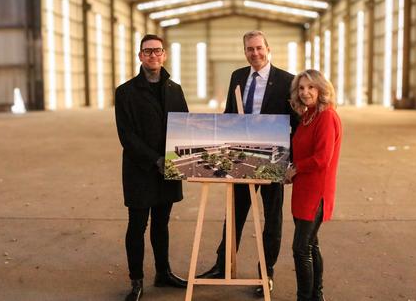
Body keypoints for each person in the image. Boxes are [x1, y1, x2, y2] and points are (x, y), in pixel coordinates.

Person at [197, 30, 298, 297]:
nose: (255, 53)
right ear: (245, 52)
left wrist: (293, 164)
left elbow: (296, 125)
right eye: (249, 49)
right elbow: (230, 114)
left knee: (272, 218)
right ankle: (223, 266)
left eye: (258, 48)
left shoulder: (287, 81)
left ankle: (267, 273)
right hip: (240, 158)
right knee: (234, 214)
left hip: (274, 158)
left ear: (268, 48)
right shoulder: (237, 77)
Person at [115, 34, 189, 301]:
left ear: (164, 55)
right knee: (137, 225)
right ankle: (136, 281)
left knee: (162, 224)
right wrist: (155, 160)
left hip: (169, 167)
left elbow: (186, 127)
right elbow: (127, 136)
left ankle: (163, 273)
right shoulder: (125, 92)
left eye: (157, 51)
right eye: (147, 51)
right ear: (140, 56)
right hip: (140, 169)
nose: (153, 55)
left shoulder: (175, 89)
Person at [284, 69, 342, 301]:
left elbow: (322, 158)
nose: (306, 92)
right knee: (310, 245)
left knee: (300, 249)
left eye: (311, 87)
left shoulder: (327, 116)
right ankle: (316, 295)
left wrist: (295, 169)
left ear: (321, 89)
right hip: (302, 188)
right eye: (301, 88)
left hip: (316, 191)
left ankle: (304, 297)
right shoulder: (308, 116)